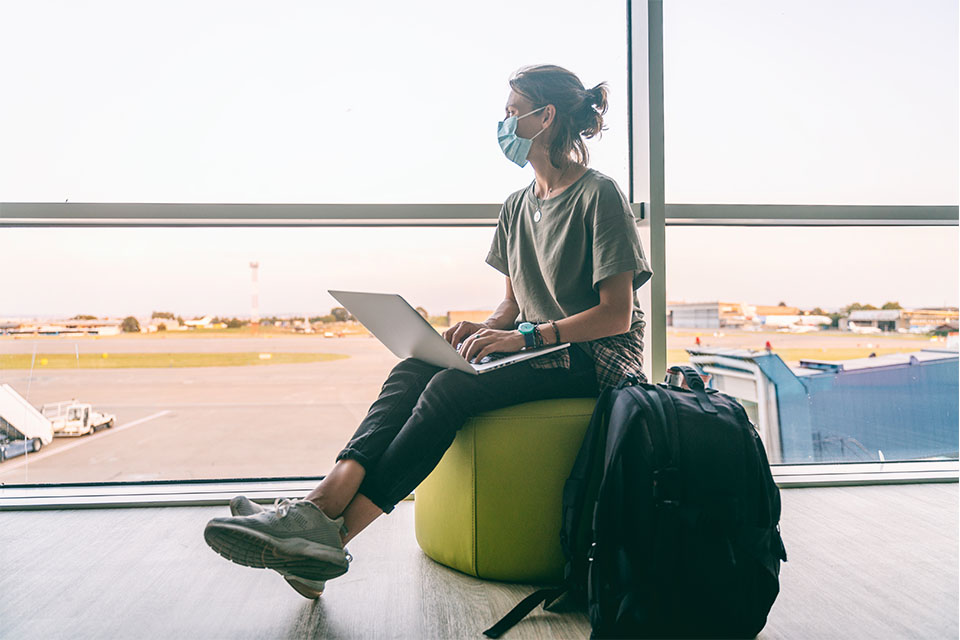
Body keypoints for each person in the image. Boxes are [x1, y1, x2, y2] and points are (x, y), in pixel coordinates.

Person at [203, 64, 653, 599]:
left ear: (545, 117)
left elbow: (616, 315)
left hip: (595, 356)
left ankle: (328, 528)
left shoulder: (599, 196)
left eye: (512, 112)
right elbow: (512, 305)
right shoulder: (516, 206)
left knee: (450, 388)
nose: (504, 123)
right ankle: (318, 515)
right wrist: (481, 331)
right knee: (416, 366)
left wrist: (525, 339)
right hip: (537, 346)